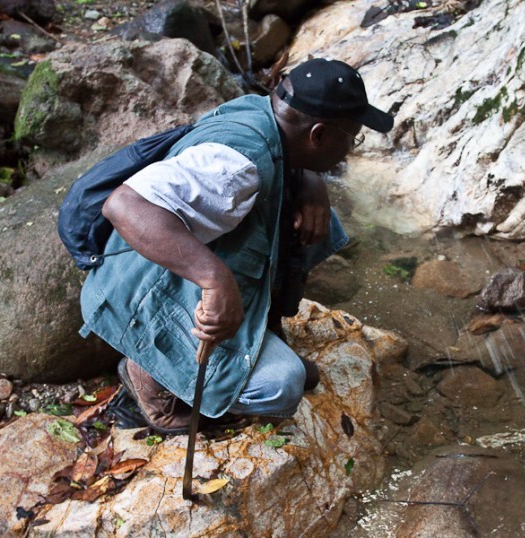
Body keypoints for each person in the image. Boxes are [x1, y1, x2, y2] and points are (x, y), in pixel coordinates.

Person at [78, 58, 394, 433]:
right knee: (281, 385)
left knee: (316, 222)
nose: (350, 150)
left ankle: (262, 334)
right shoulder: (234, 167)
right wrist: (214, 279)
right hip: (139, 289)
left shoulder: (263, 114)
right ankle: (150, 383)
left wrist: (310, 180)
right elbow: (124, 205)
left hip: (162, 264)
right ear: (318, 135)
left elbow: (292, 155)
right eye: (351, 137)